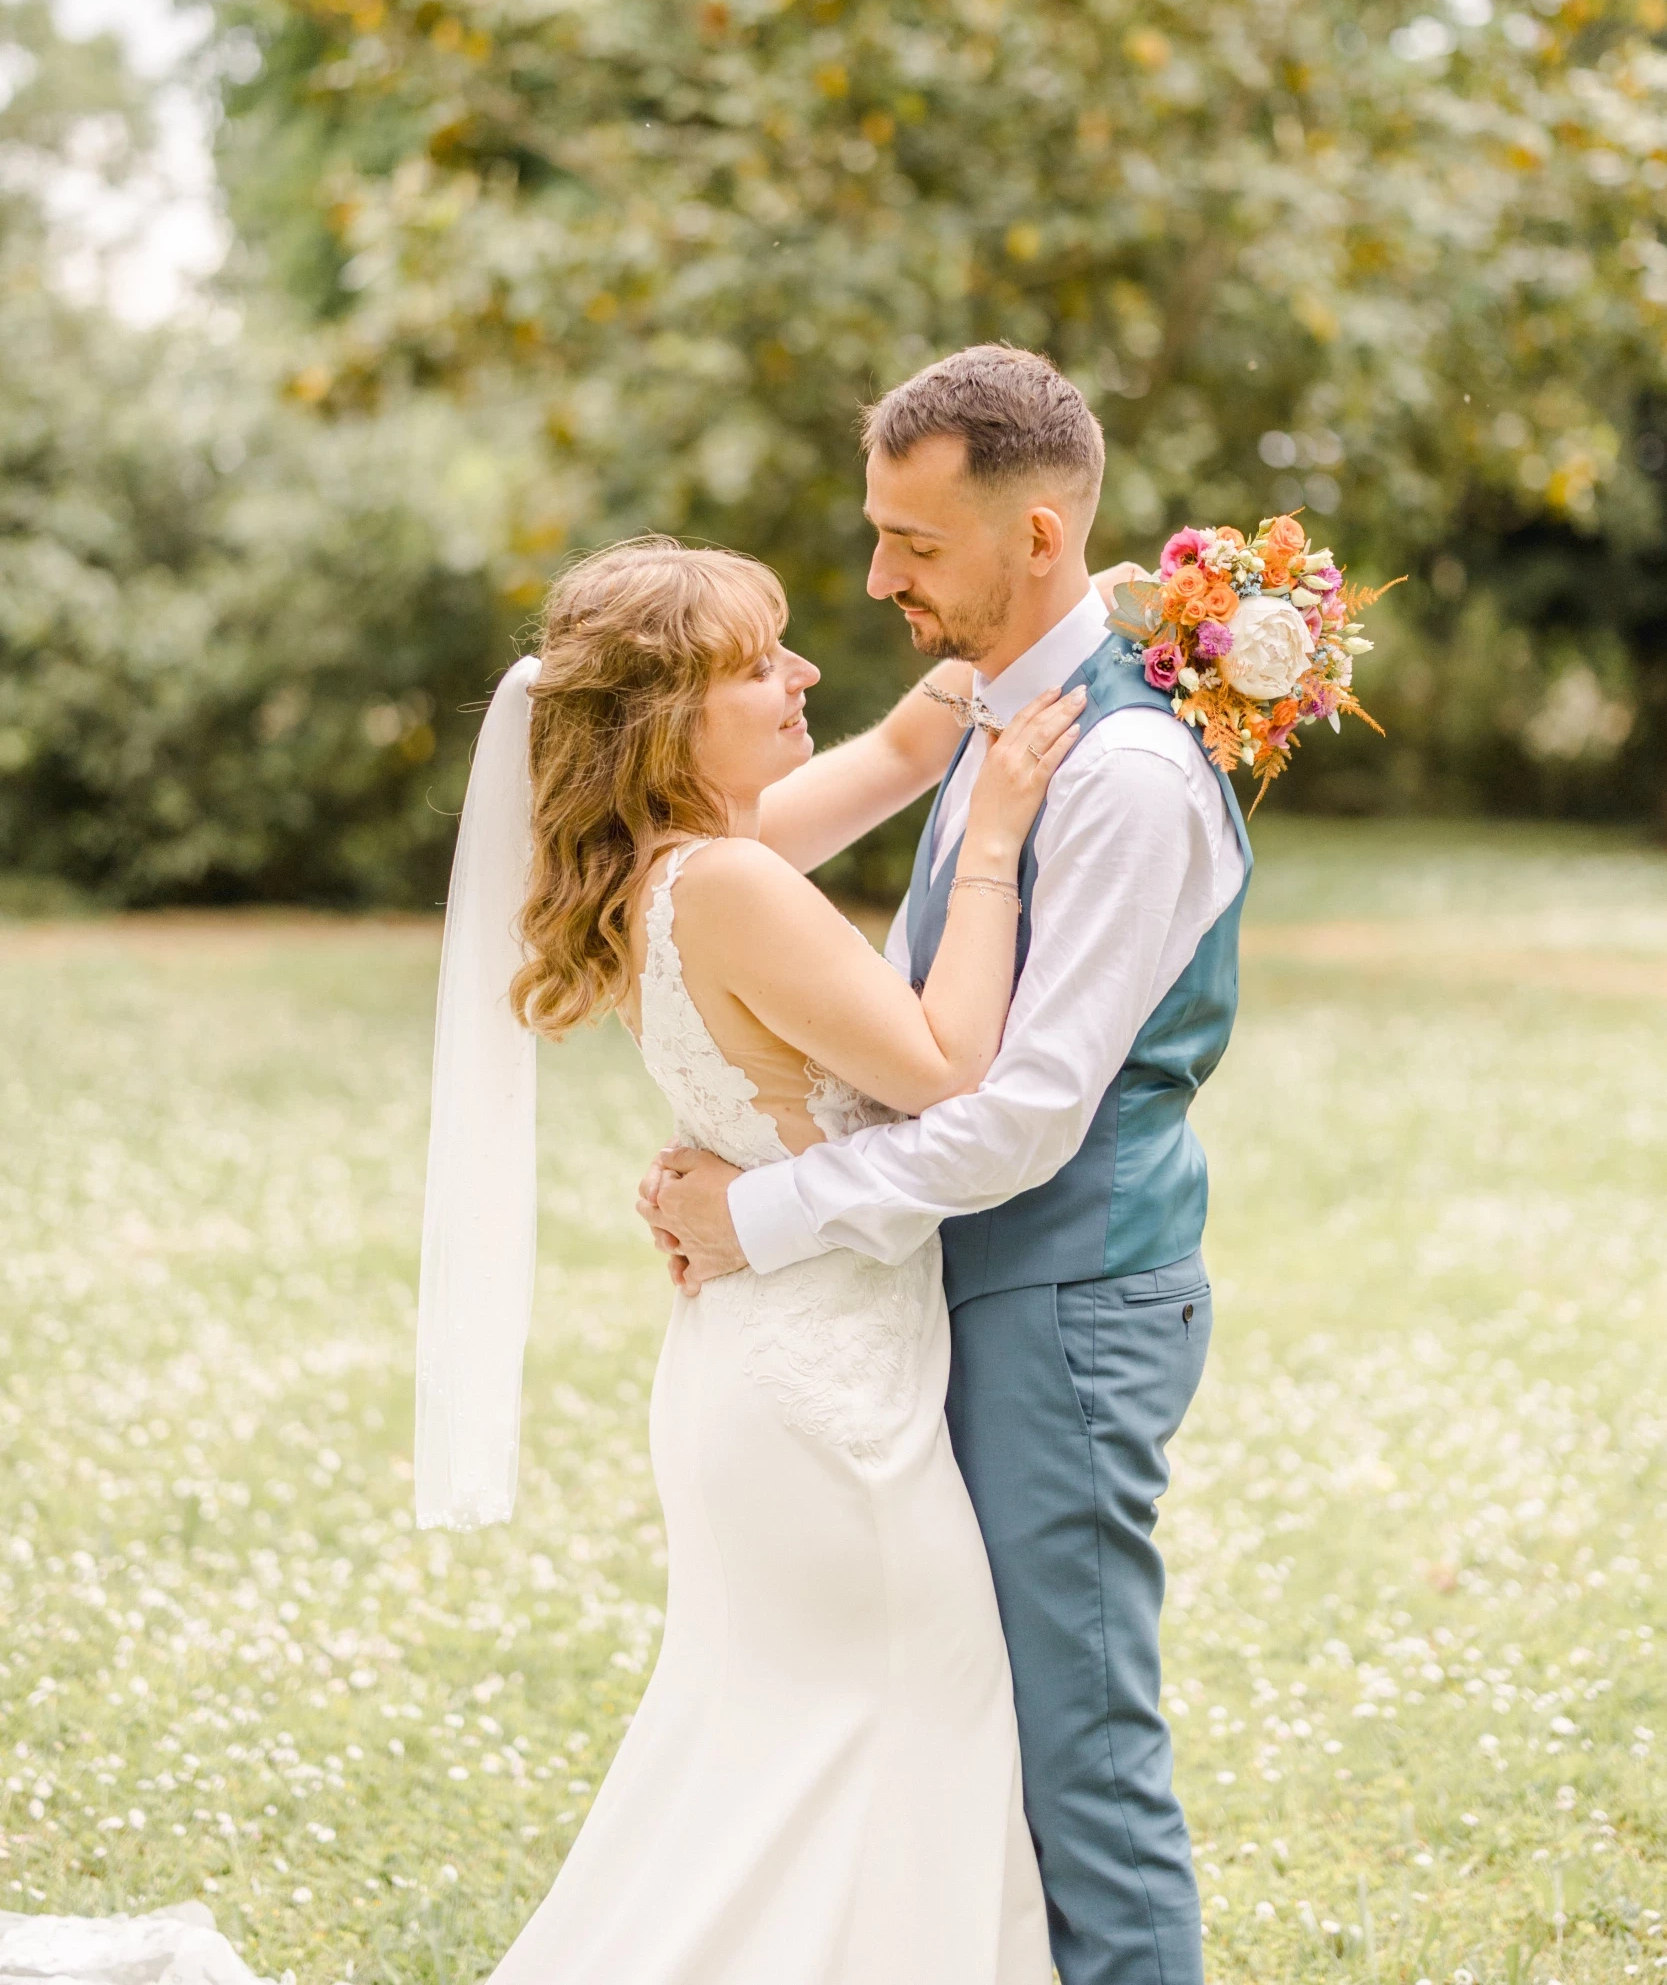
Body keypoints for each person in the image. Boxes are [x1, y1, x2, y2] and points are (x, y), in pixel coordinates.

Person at [646, 344, 1252, 1985]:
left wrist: (760, 1215)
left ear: (1036, 538)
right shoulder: (1006, 718)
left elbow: (1018, 1117)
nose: (874, 578)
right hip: (963, 1292)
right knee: (964, 1742)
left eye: (913, 545)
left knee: (1077, 1754)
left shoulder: (1118, 775)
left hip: (1063, 1300)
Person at [415, 534, 1089, 1985]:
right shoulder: (730, 878)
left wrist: (1055, 621)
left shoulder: (680, 861)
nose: (801, 675)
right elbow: (944, 1066)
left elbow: (903, 742)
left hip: (767, 1372)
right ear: (668, 718)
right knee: (911, 1720)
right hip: (819, 1405)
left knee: (785, 1754)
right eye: (755, 665)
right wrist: (992, 846)